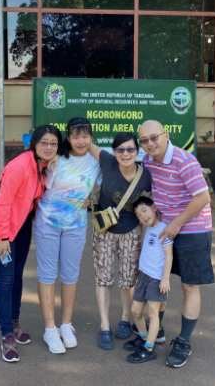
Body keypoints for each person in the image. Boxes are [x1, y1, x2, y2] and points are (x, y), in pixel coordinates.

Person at [0, 125, 62, 363]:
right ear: (34, 144)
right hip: (3, 228)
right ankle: (7, 335)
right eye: (44, 142)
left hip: (23, 225)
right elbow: (3, 203)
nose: (49, 147)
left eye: (53, 143)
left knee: (17, 277)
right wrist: (3, 237)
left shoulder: (41, 165)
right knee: (5, 281)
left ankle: (14, 323)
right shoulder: (20, 165)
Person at [138, 120, 213, 369]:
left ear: (166, 135)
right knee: (158, 278)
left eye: (154, 137)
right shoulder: (148, 161)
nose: (150, 143)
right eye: (144, 140)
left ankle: (183, 342)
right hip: (165, 228)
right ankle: (156, 328)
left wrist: (176, 223)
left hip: (193, 229)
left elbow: (202, 197)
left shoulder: (184, 160)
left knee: (189, 285)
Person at [35, 117, 102, 355]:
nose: (81, 141)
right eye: (76, 137)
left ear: (91, 138)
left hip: (76, 226)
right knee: (47, 274)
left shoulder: (96, 162)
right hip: (47, 223)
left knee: (70, 275)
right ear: (68, 138)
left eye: (85, 136)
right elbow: (40, 185)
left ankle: (66, 325)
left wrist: (91, 201)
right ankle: (50, 328)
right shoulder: (57, 158)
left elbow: (112, 180)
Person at [87, 133, 154, 351]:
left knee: (128, 279)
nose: (125, 154)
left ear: (137, 151)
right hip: (105, 231)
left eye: (130, 149)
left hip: (131, 231)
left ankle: (125, 318)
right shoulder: (107, 162)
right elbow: (85, 144)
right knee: (103, 279)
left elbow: (161, 196)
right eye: (120, 150)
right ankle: (104, 325)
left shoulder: (145, 175)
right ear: (114, 152)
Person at [123, 197, 173, 364]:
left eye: (144, 211)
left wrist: (165, 279)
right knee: (136, 311)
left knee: (152, 314)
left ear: (154, 208)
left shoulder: (163, 228)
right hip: (144, 276)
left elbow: (169, 255)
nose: (143, 216)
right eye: (138, 215)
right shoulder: (149, 229)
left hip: (156, 279)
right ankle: (144, 338)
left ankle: (149, 348)